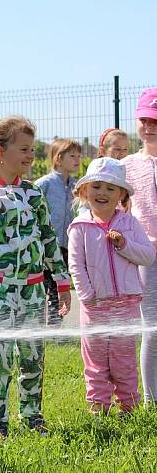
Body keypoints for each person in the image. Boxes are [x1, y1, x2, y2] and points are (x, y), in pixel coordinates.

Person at [0, 116, 71, 440]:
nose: (30, 156)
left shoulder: (33, 193)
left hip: (34, 289)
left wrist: (61, 282)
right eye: (23, 149)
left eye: (32, 150)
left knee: (33, 356)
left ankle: (33, 418)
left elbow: (49, 238)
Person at [68, 157, 155, 414]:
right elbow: (76, 266)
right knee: (96, 362)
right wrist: (87, 296)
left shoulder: (129, 224)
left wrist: (124, 245)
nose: (102, 193)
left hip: (126, 304)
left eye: (110, 188)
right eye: (96, 186)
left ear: (121, 195)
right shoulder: (79, 227)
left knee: (123, 361)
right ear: (84, 191)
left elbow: (148, 255)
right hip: (94, 305)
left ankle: (129, 409)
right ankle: (99, 410)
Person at [123, 87, 157, 404]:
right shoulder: (128, 165)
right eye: (144, 119)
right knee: (153, 328)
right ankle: (151, 399)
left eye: (155, 120)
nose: (149, 127)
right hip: (146, 257)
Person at [35, 139, 81, 326]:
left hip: (64, 247)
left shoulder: (76, 187)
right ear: (58, 158)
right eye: (73, 156)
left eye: (79, 156)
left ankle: (55, 327)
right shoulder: (43, 184)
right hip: (42, 246)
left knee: (58, 288)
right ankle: (36, 326)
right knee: (41, 286)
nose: (78, 159)